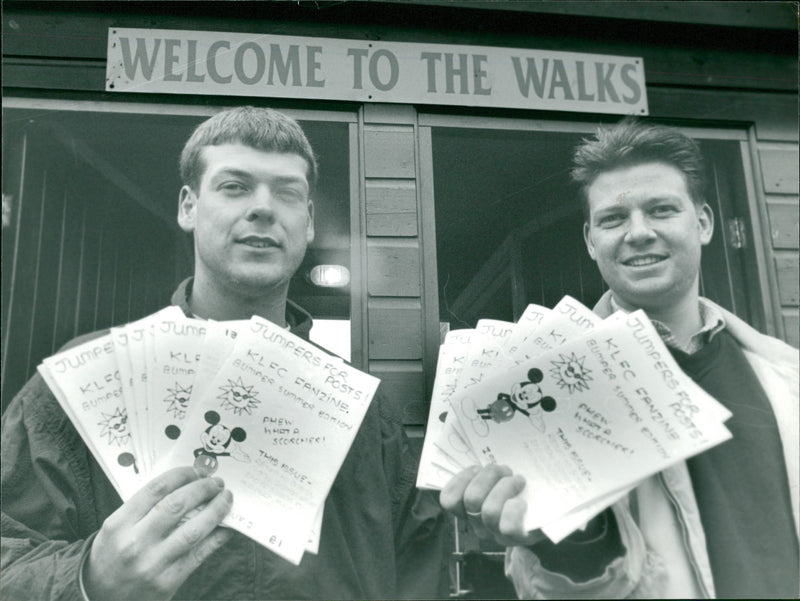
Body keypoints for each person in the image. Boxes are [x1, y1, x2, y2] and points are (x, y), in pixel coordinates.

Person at [1, 106, 448, 601]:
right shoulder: (85, 377)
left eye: (287, 192)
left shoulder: (364, 410)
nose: (263, 208)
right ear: (188, 207)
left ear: (310, 222)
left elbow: (418, 564)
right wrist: (87, 579)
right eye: (235, 186)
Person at [440, 119, 799, 598]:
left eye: (661, 209)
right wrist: (558, 544)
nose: (638, 232)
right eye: (613, 219)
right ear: (591, 241)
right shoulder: (544, 393)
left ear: (705, 222)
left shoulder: (786, 376)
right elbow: (548, 593)